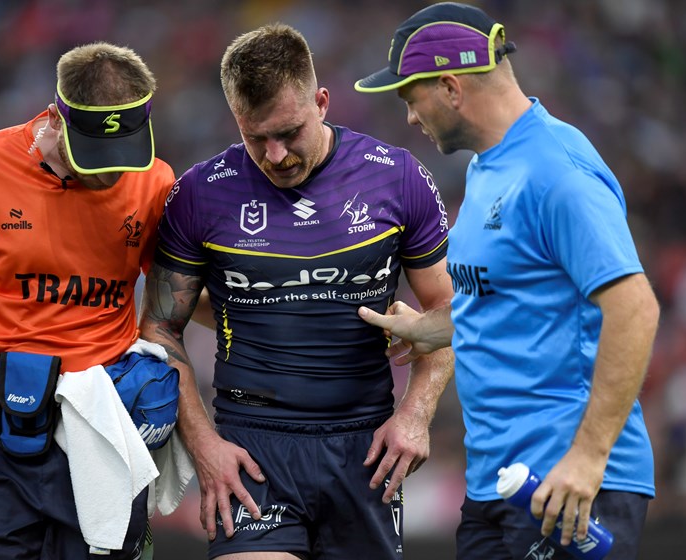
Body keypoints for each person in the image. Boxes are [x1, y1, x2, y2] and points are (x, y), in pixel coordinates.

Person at [354, 3, 660, 559]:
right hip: (497, 485)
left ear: (451, 87)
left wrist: (588, 458)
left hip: (567, 481)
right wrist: (430, 328)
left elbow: (635, 308)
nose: (410, 118)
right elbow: (510, 295)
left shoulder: (556, 172)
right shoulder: (487, 166)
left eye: (410, 97)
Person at [139, 23, 454, 559]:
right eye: (256, 137)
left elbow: (449, 310)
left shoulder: (397, 178)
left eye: (289, 132)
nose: (276, 154)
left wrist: (416, 414)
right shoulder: (200, 194)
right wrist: (205, 445)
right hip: (252, 450)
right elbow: (160, 327)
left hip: (366, 449)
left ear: (322, 103)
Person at [0, 42, 176, 558]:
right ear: (57, 119)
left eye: (123, 151)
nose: (113, 172)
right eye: (97, 155)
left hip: (104, 432)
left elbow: (178, 298)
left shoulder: (154, 181)